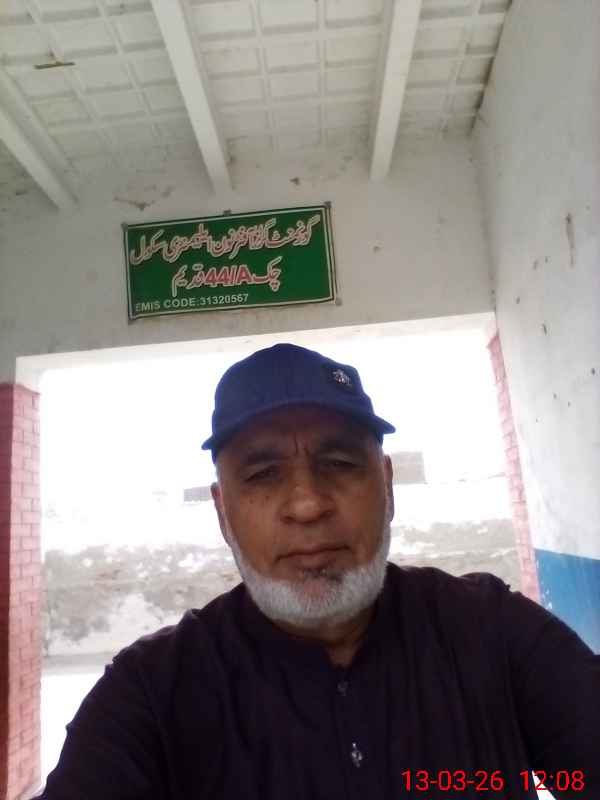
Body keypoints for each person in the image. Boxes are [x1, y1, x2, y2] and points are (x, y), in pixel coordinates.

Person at [38, 343, 599, 799]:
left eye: (340, 463)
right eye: (262, 474)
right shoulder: (152, 692)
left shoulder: (493, 632)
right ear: (222, 510)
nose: (307, 505)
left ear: (387, 486)